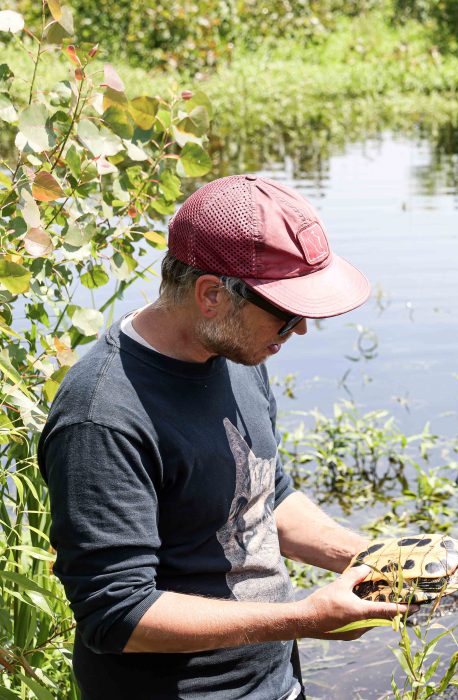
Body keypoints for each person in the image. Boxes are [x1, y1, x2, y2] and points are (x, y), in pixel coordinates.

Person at [40, 175, 410, 698]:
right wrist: (303, 618)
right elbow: (116, 615)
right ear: (212, 294)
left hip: (275, 684)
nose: (299, 330)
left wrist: (372, 558)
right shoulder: (102, 416)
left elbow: (265, 497)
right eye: (285, 315)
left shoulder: (236, 351)